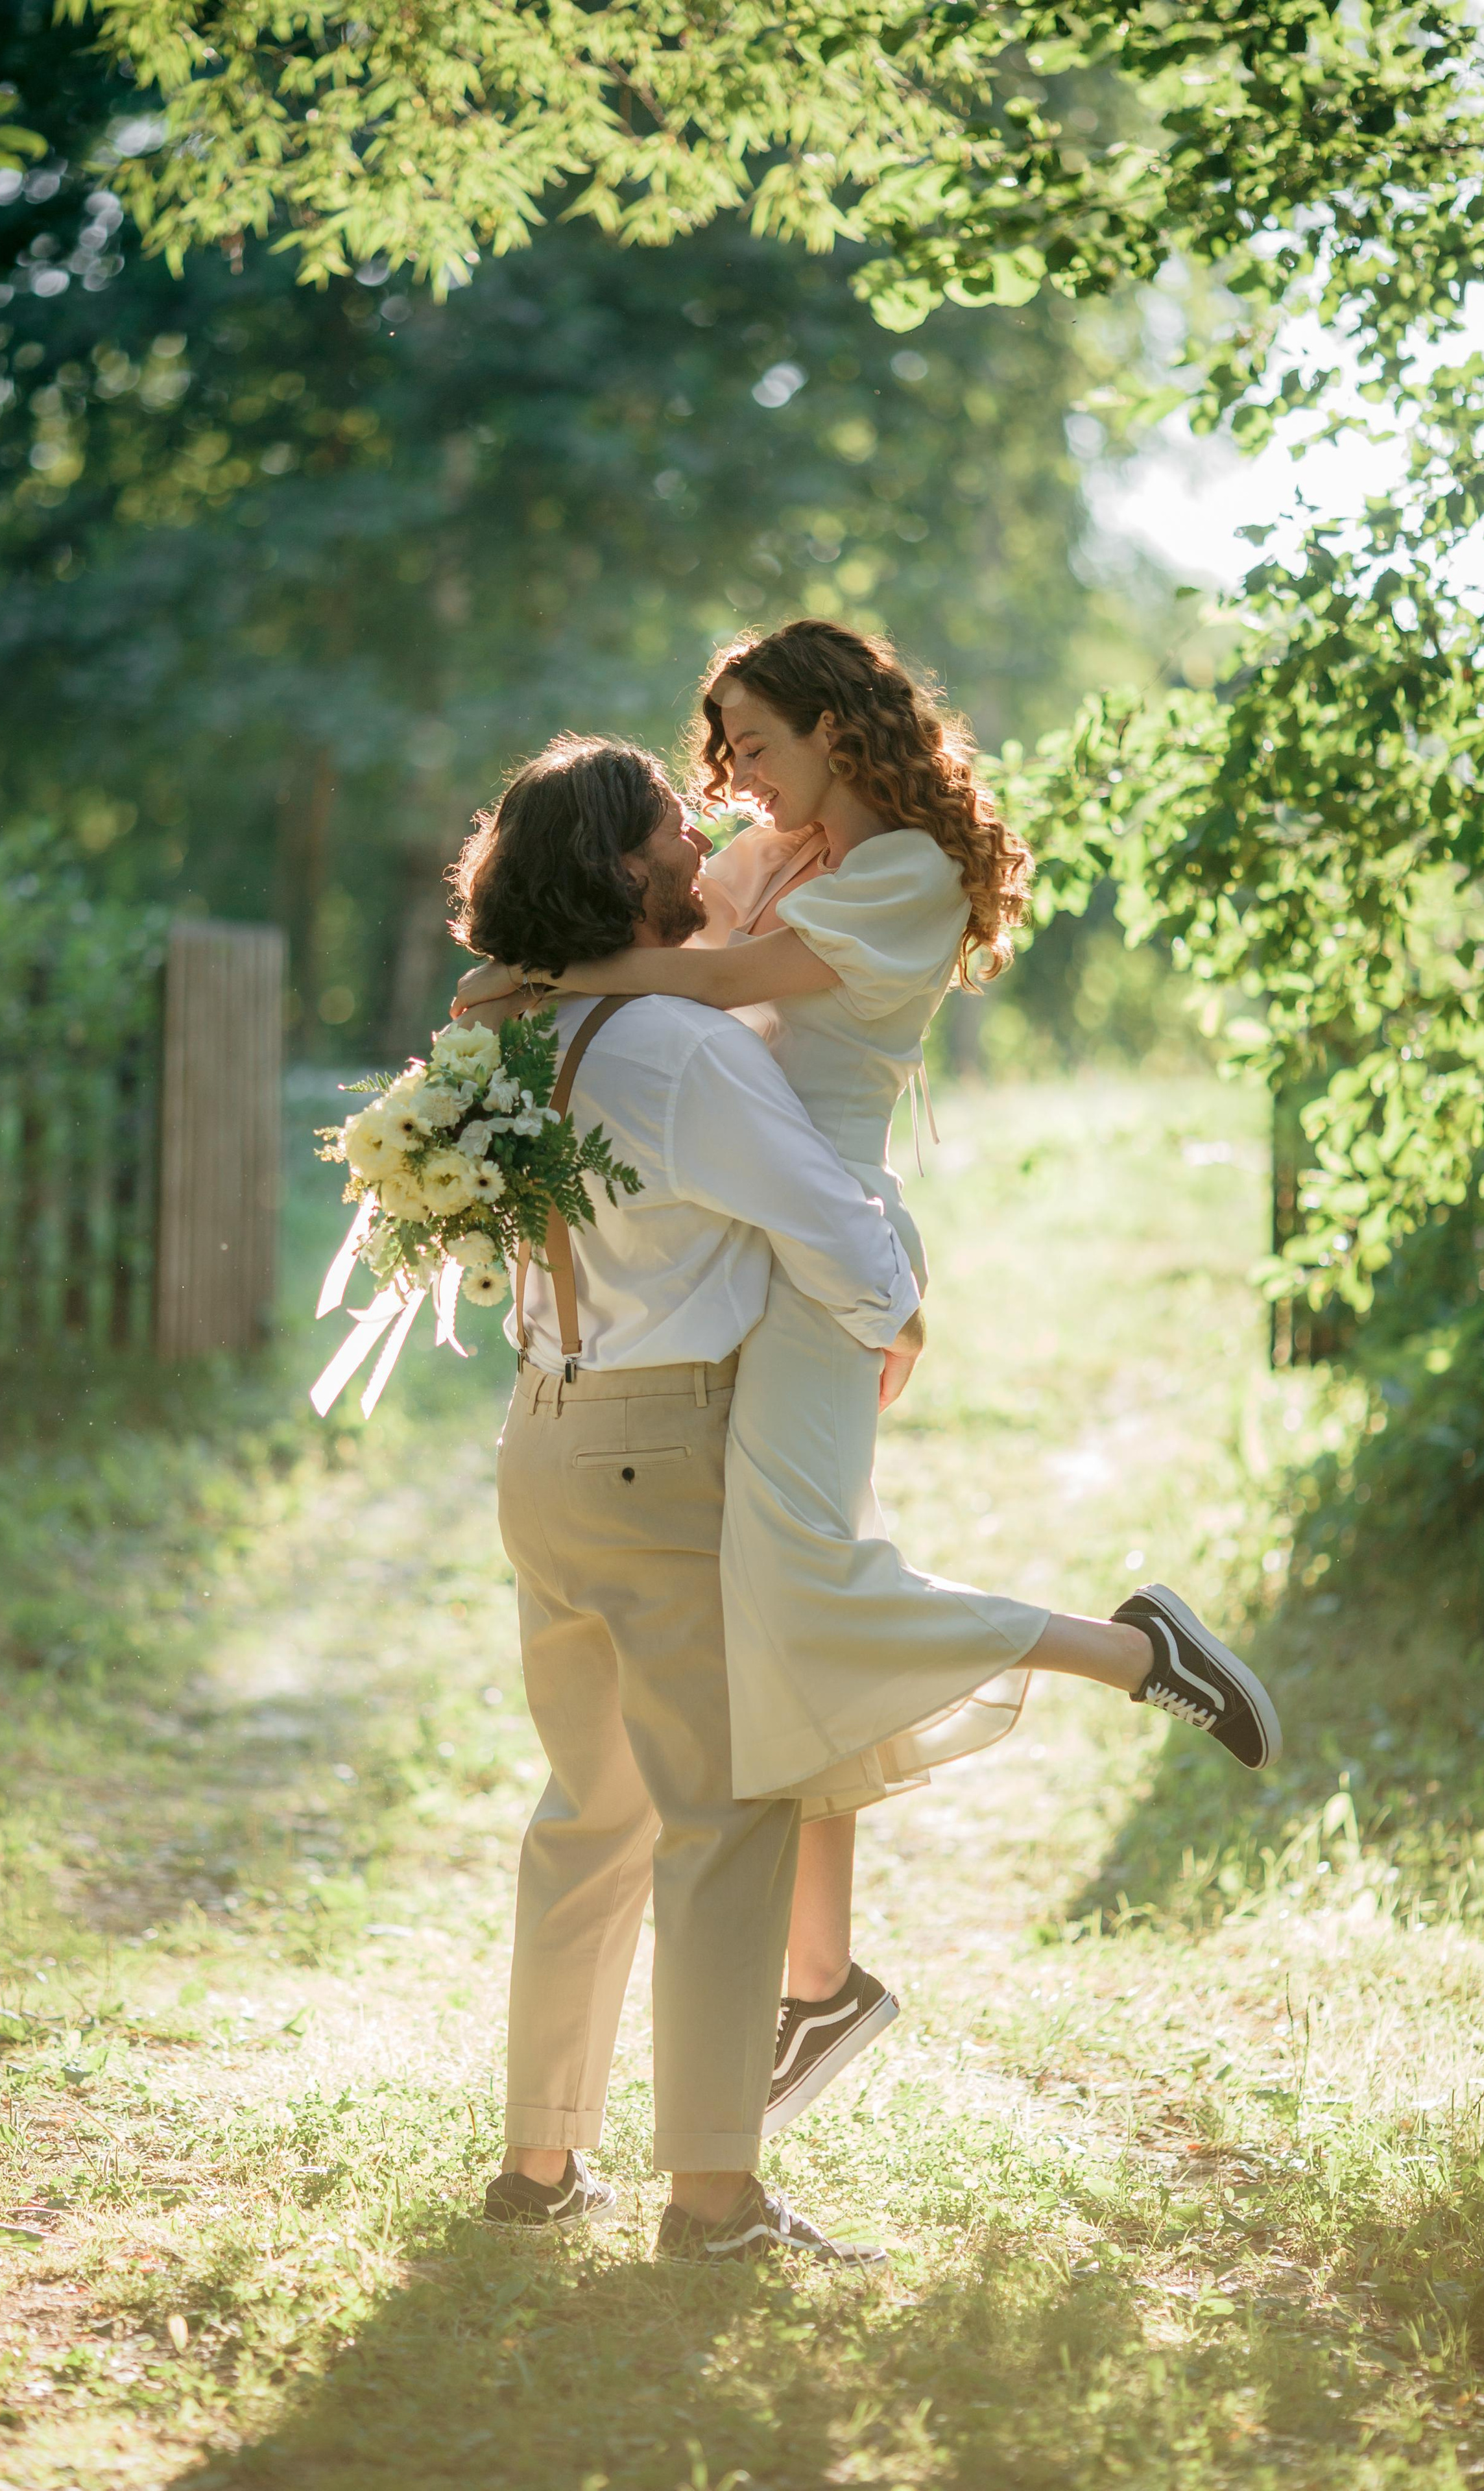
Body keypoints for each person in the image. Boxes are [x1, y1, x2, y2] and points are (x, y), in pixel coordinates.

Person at [455, 622, 1282, 2140]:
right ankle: (819, 1976)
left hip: (821, 1241)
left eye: (752, 744)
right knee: (784, 1608)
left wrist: (544, 980)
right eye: (717, 754)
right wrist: (558, 956)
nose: (730, 780)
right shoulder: (768, 854)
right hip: (751, 1241)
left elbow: (708, 987)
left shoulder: (902, 871)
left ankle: (1123, 1651)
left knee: (808, 1582)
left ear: (841, 727)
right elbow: (651, 925)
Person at [455, 734, 921, 2264]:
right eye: (670, 823)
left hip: (542, 1438)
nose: (701, 829)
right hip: (667, 1452)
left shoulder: (514, 1032)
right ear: (618, 869)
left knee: (587, 1810)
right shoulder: (686, 1047)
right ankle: (713, 2198)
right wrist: (893, 1319)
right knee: (723, 1819)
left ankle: (538, 2162)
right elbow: (827, 1227)